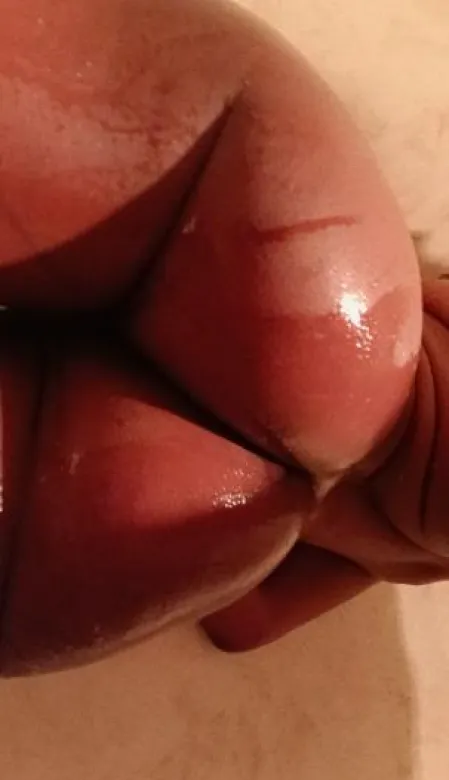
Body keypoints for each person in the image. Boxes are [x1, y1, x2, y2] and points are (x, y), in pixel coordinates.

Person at [1, 0, 448, 676]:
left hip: (341, 305)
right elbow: (249, 622)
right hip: (214, 527)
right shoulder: (403, 559)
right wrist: (272, 530)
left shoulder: (388, 309)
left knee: (205, 125)